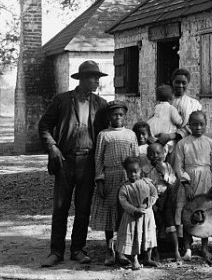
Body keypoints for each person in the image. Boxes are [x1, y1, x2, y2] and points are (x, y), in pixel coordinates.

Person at [38, 60, 109, 267]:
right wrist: (52, 147)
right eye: (93, 78)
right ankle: (56, 252)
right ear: (82, 79)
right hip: (65, 161)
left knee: (83, 208)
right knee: (60, 208)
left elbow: (106, 132)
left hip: (88, 162)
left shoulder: (101, 104)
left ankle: (78, 249)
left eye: (98, 78)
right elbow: (44, 125)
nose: (96, 81)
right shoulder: (61, 101)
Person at [91, 101, 140, 266]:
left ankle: (122, 250)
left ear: (125, 116)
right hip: (110, 178)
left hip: (126, 177)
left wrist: (136, 181)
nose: (117, 117)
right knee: (110, 215)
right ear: (109, 117)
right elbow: (98, 159)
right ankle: (109, 250)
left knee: (123, 214)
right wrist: (100, 180)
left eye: (121, 114)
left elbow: (135, 158)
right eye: (114, 114)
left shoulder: (131, 135)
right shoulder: (103, 135)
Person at [174, 110, 212, 261]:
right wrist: (186, 186)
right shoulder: (182, 144)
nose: (198, 127)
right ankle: (187, 248)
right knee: (188, 212)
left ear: (206, 125)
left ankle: (204, 248)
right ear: (189, 126)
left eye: (201, 124)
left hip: (206, 180)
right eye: (194, 124)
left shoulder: (210, 142)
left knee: (205, 212)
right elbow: (178, 167)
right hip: (189, 180)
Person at [116, 156, 159, 270]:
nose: (133, 175)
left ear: (140, 170)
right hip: (132, 218)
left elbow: (154, 194)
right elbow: (123, 201)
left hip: (147, 215)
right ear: (126, 172)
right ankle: (134, 259)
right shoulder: (125, 187)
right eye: (130, 172)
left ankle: (148, 258)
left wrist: (148, 203)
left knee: (148, 236)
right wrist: (134, 210)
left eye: (135, 171)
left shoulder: (147, 183)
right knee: (134, 238)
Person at [144, 142, 181, 262]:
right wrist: (151, 203)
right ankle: (155, 252)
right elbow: (144, 186)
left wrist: (164, 173)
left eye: (158, 153)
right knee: (154, 226)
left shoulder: (167, 167)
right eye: (151, 154)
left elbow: (173, 182)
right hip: (152, 201)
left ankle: (176, 252)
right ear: (147, 156)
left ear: (163, 154)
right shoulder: (145, 170)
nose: (155, 156)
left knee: (170, 225)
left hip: (166, 199)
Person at [146, 84, 183, 157]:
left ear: (157, 98)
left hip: (154, 133)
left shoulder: (156, 107)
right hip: (166, 136)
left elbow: (149, 118)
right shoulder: (171, 108)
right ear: (171, 98)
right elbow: (177, 121)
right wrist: (180, 122)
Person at [170, 68, 202, 137]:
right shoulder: (166, 102)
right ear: (173, 82)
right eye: (177, 82)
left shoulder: (194, 104)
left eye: (183, 83)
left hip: (186, 141)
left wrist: (173, 136)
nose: (180, 85)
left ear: (188, 84)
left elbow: (194, 125)